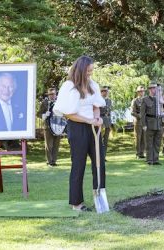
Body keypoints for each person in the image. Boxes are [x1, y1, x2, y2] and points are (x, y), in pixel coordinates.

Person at [53, 55, 106, 211]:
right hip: (77, 127)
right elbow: (68, 114)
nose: (90, 73)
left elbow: (96, 105)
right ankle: (77, 203)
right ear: (81, 69)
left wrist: (97, 119)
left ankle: (100, 199)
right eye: (88, 71)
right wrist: (88, 120)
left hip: (93, 127)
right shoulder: (69, 86)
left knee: (99, 163)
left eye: (92, 71)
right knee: (79, 164)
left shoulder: (92, 85)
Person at [141, 82, 163, 165]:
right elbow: (142, 114)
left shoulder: (159, 100)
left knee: (157, 142)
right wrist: (144, 125)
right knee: (149, 143)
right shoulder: (145, 99)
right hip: (149, 123)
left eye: (156, 88)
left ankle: (156, 159)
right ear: (150, 89)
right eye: (154, 88)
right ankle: (149, 159)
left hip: (158, 123)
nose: (156, 90)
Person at [38, 88, 61, 167]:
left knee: (56, 145)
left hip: (58, 126)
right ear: (48, 95)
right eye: (50, 94)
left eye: (53, 94)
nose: (52, 96)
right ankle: (49, 161)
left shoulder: (59, 102)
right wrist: (44, 115)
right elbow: (38, 114)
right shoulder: (44, 103)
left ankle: (54, 161)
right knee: (49, 145)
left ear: (56, 94)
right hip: (47, 126)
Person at [130, 86, 146, 159]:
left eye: (142, 91)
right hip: (138, 121)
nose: (141, 93)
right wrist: (139, 116)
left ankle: (142, 153)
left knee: (144, 138)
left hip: (145, 121)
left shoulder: (146, 100)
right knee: (138, 138)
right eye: (140, 91)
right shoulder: (135, 101)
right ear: (137, 92)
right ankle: (138, 153)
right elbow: (132, 112)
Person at [100, 86, 112, 161]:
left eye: (106, 91)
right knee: (99, 139)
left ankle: (103, 156)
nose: (105, 92)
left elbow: (109, 111)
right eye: (103, 91)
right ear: (101, 92)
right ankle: (99, 156)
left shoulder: (109, 100)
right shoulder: (98, 100)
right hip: (100, 120)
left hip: (107, 121)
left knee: (106, 140)